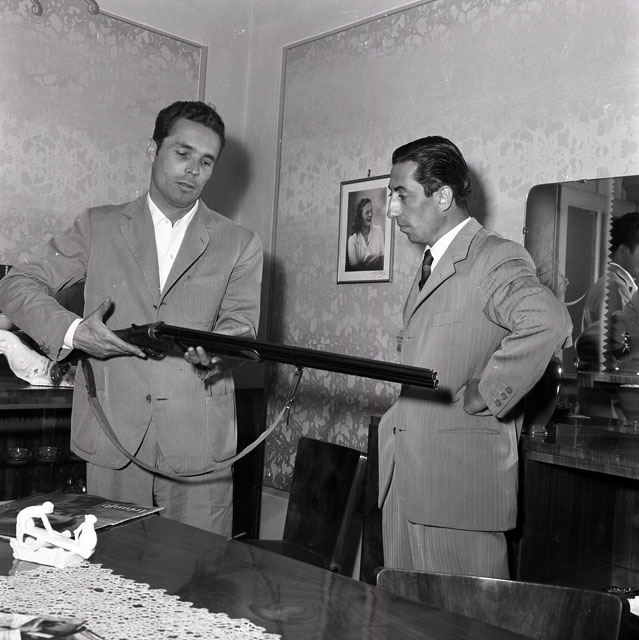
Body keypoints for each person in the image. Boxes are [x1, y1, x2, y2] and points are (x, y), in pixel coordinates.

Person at [0, 101, 263, 537]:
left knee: (200, 572)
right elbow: (16, 284)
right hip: (113, 440)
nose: (193, 170)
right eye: (182, 153)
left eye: (206, 161)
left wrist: (220, 353)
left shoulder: (240, 243)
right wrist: (74, 332)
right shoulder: (97, 226)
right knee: (113, 568)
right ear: (153, 149)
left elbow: (241, 328)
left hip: (199, 447)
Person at [378, 136, 572, 578]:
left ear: (443, 196)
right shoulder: (434, 262)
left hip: (458, 488)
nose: (392, 209)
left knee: (462, 616)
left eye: (402, 194)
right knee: (402, 612)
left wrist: (488, 389)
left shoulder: (493, 256)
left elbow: (547, 322)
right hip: (407, 480)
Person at [576, 211, 639, 370]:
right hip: (611, 381)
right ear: (623, 251)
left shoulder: (613, 283)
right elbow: (621, 346)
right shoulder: (616, 287)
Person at [346, 197, 385, 270]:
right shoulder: (352, 240)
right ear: (359, 216)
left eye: (371, 211)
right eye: (367, 212)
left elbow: (383, 259)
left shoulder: (378, 231)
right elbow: (355, 268)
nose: (370, 214)